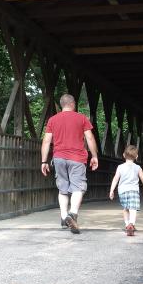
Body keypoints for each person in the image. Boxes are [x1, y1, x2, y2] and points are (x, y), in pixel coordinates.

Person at [41, 94, 99, 234]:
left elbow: (46, 141)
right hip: (77, 158)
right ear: (73, 104)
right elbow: (90, 138)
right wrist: (95, 156)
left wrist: (43, 161)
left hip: (59, 157)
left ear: (62, 105)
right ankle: (72, 214)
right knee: (78, 187)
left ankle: (63, 217)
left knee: (63, 188)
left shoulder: (53, 120)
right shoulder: (81, 118)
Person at [108, 145, 143, 236]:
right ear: (137, 157)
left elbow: (115, 179)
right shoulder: (138, 168)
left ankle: (127, 225)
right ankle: (132, 224)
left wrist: (111, 191)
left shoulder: (120, 167)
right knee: (133, 208)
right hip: (133, 191)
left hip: (122, 191)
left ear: (123, 155)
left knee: (125, 209)